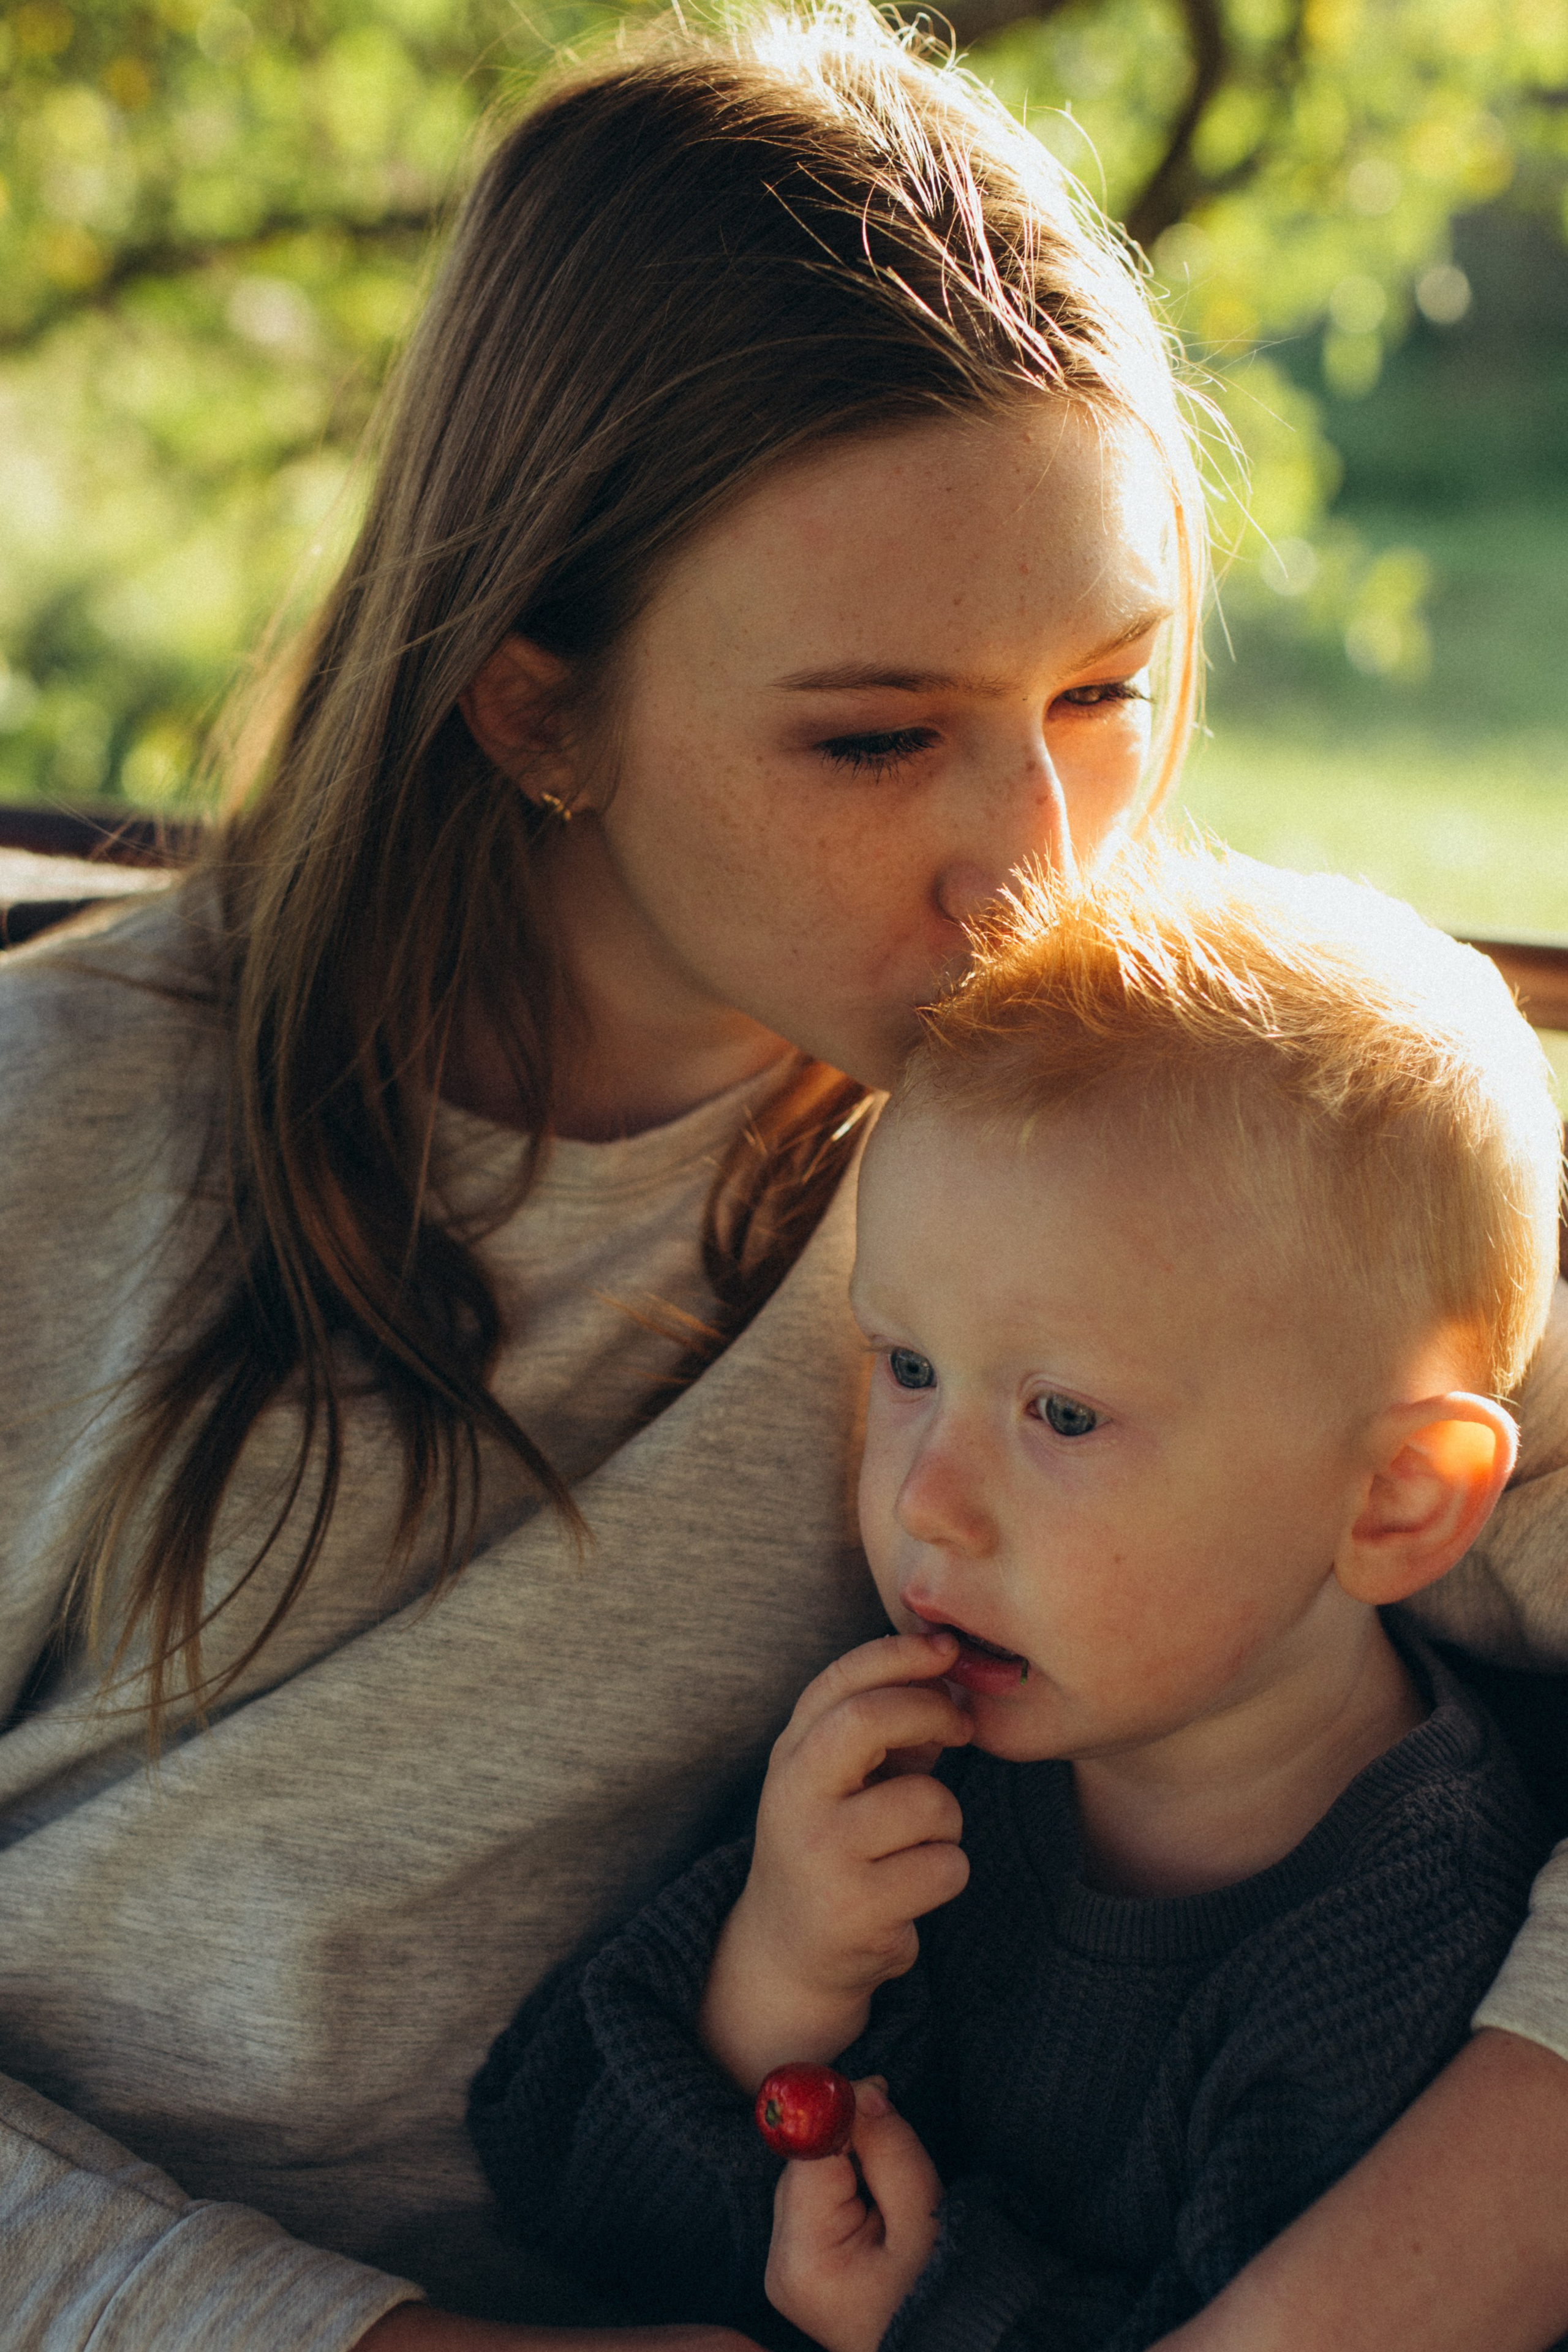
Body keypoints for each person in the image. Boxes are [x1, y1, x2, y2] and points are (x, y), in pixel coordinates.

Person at [0, 8, 1564, 2351]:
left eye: (1109, 691)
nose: (1036, 875)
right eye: (874, 735)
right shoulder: (70, 1134)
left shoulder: (1198, 1142)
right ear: (537, 703)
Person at [466, 843, 1562, 2351]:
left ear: (1396, 1499)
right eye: (907, 1369)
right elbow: (563, 2211)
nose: (923, 1497)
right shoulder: (919, 1770)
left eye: (1060, 1415)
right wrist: (770, 1985)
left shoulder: (1409, 1945)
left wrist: (935, 2310)